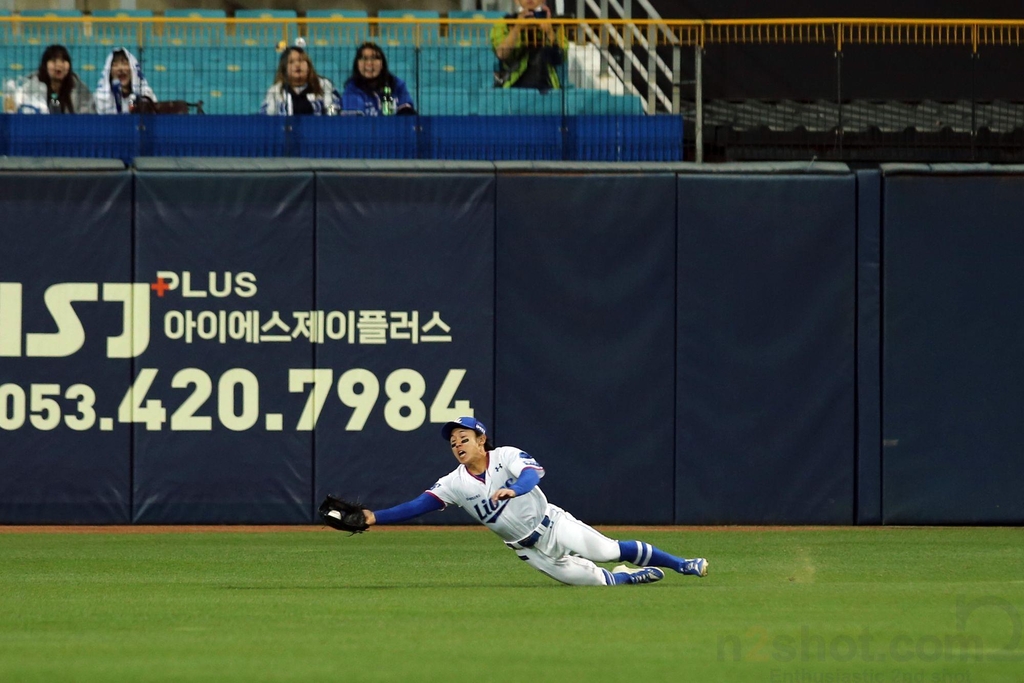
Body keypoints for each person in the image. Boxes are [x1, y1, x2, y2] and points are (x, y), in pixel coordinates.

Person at [351, 417, 708, 587]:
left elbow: (532, 475)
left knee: (608, 550)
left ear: (481, 439)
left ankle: (682, 564)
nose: (457, 444)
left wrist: (514, 490)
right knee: (599, 584)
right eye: (452, 442)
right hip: (527, 550)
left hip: (553, 524)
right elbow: (418, 505)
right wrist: (373, 517)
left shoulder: (505, 455)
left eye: (464, 437)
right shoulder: (454, 483)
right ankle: (627, 579)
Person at [491, 0, 567, 90]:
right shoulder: (504, 23)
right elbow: (501, 54)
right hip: (514, 84)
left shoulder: (555, 24)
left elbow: (561, 58)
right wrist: (517, 28)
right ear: (516, 1)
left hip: (547, 85)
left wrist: (550, 32)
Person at [6, 44, 94, 114]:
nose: (59, 65)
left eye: (63, 61)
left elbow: (89, 116)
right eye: (54, 61)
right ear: (45, 65)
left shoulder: (78, 87)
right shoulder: (31, 86)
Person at [260, 43, 340, 115]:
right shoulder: (275, 90)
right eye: (291, 62)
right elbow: (267, 118)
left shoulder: (324, 85)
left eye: (301, 60)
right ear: (284, 69)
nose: (297, 65)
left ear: (308, 65)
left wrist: (330, 115)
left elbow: (333, 111)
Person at [340, 42, 416, 116]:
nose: (369, 63)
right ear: (357, 64)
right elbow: (356, 123)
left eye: (374, 58)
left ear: (382, 64)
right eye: (364, 58)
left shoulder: (397, 85)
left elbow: (407, 115)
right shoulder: (352, 89)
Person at [95, 47, 156, 114]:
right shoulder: (100, 98)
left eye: (125, 63)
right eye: (115, 65)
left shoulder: (145, 94)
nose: (120, 68)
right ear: (109, 73)